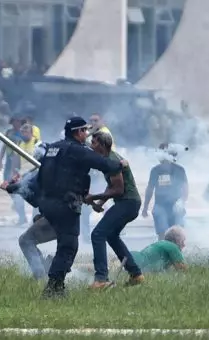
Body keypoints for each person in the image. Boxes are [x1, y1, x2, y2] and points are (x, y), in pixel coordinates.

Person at [37, 117, 125, 298]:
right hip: (65, 204)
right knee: (68, 246)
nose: (86, 135)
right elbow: (101, 163)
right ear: (78, 132)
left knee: (63, 244)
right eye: (84, 131)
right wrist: (119, 164)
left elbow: (39, 176)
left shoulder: (52, 147)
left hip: (47, 202)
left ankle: (55, 283)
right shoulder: (76, 150)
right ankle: (54, 288)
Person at [85, 131, 144, 289]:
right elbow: (112, 185)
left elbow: (118, 189)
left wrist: (94, 197)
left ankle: (101, 279)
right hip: (128, 203)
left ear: (103, 145)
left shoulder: (111, 160)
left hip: (127, 203)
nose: (91, 146)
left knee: (97, 234)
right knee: (111, 236)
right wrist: (100, 201)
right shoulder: (109, 159)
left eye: (94, 143)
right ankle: (136, 274)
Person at [142, 143, 189, 240]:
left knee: (178, 234)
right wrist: (145, 207)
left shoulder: (179, 170)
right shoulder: (156, 170)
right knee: (162, 234)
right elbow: (150, 189)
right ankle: (163, 253)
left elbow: (185, 187)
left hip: (176, 205)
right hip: (160, 206)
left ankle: (176, 253)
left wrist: (181, 201)